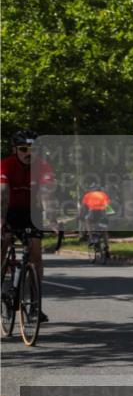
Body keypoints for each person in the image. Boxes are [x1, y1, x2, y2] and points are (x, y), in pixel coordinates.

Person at [1, 130, 55, 323]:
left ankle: (34, 306)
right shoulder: (5, 165)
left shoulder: (42, 166)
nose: (28, 153)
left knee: (36, 253)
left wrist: (50, 218)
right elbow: (3, 194)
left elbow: (47, 194)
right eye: (23, 149)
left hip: (31, 212)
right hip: (6, 209)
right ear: (14, 150)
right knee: (4, 240)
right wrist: (1, 221)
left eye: (32, 149)